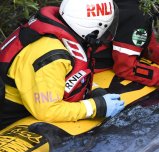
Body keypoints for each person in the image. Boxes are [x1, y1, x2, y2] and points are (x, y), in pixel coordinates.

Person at [0, 0, 125, 130]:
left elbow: (60, 79)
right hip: (10, 115)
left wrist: (93, 90)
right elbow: (48, 111)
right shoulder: (53, 56)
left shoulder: (57, 38)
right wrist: (95, 107)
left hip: (24, 100)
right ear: (94, 27)